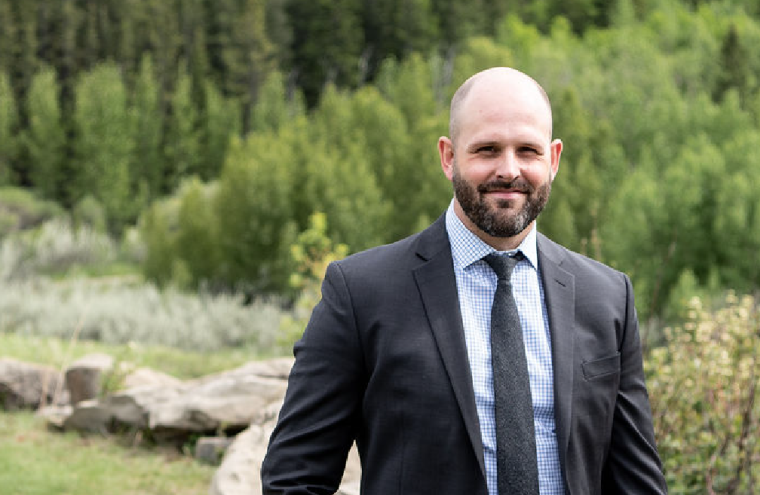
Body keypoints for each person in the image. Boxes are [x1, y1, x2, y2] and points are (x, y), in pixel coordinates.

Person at [262, 67, 667, 495]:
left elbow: (637, 483)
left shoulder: (607, 297)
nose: (509, 170)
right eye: (487, 149)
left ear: (553, 159)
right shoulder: (361, 293)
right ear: (449, 156)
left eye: (527, 150)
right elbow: (295, 478)